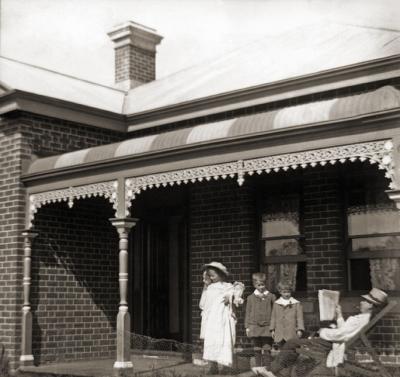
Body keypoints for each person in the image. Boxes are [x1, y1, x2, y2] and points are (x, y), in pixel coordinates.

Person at [254, 288, 388, 377]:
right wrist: (339, 315)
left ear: (371, 305)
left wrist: (323, 331)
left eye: (365, 300)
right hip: (334, 341)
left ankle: (272, 371)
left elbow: (341, 335)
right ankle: (275, 370)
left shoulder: (361, 320)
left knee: (291, 342)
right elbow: (345, 332)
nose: (361, 302)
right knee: (299, 340)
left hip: (329, 343)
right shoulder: (363, 319)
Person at [201, 261, 244, 375]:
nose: (211, 277)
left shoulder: (228, 286)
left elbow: (238, 291)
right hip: (212, 320)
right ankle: (213, 365)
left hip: (223, 318)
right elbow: (203, 304)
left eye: (213, 275)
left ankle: (225, 366)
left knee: (224, 340)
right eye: (209, 275)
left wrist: (230, 297)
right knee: (212, 341)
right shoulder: (209, 288)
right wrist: (205, 287)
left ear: (221, 274)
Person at [245, 272, 276, 368]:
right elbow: (248, 312)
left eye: (263, 284)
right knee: (257, 348)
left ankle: (267, 368)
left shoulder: (271, 297)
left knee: (267, 348)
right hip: (254, 326)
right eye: (259, 285)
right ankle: (258, 368)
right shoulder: (250, 298)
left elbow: (275, 312)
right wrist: (247, 327)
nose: (261, 287)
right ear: (254, 285)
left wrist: (274, 327)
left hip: (267, 327)